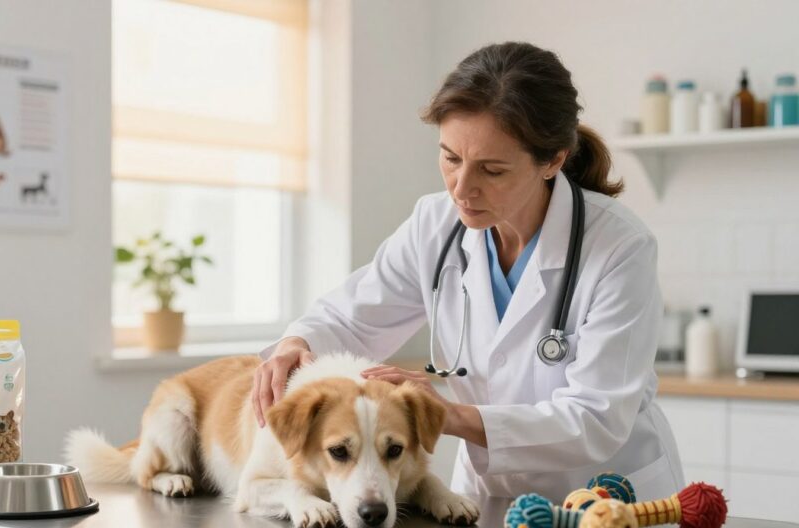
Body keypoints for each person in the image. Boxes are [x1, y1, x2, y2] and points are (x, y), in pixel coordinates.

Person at [251, 42, 684, 502]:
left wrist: (450, 416)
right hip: (488, 497)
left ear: (553, 160)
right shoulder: (433, 225)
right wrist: (297, 343)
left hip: (604, 500)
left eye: (491, 170)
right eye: (451, 158)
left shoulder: (618, 246)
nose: (461, 189)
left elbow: (597, 418)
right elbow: (349, 320)